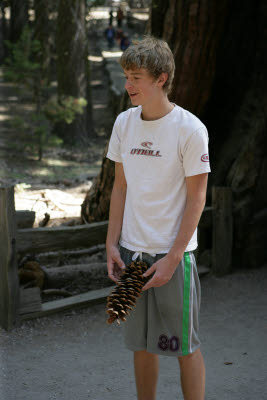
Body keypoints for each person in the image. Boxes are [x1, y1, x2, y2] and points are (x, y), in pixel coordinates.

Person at [106, 36, 211, 400]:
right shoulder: (124, 123)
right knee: (142, 345)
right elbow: (120, 188)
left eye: (136, 77)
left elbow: (198, 197)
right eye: (126, 76)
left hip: (173, 259)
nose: (128, 85)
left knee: (182, 345)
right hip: (132, 255)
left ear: (161, 78)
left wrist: (174, 257)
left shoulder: (190, 129)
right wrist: (111, 244)